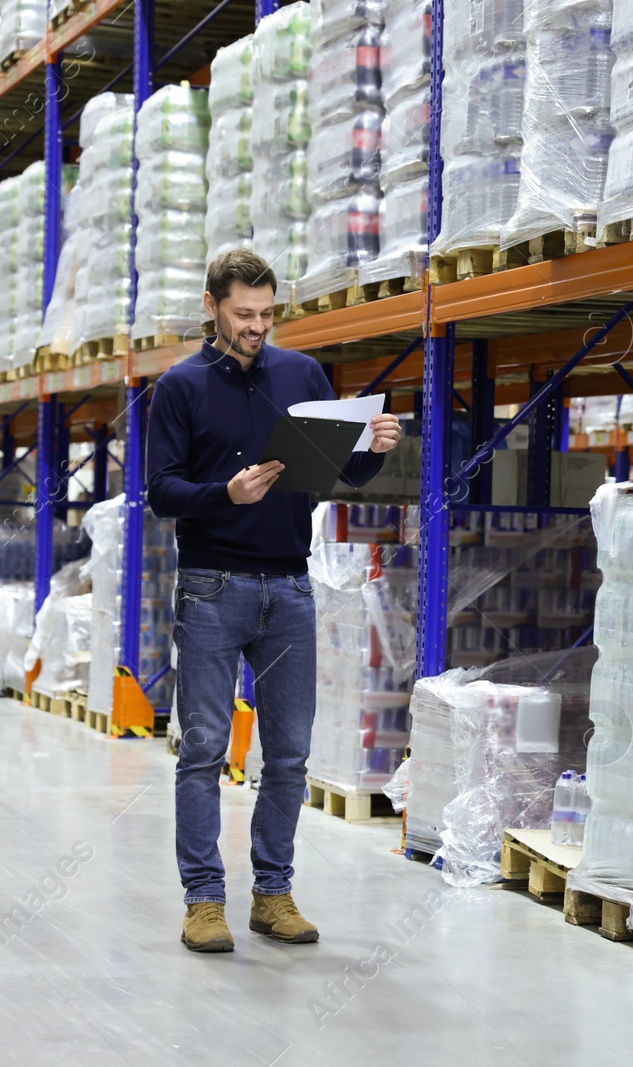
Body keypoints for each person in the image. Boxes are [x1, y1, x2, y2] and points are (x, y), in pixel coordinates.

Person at [147, 249, 402, 953]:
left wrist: (374, 446)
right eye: (243, 315)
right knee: (203, 749)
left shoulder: (302, 374)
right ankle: (204, 901)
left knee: (288, 754)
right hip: (212, 585)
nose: (257, 327)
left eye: (266, 314)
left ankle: (273, 894)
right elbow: (160, 489)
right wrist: (222, 494)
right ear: (212, 306)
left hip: (290, 584)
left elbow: (341, 467)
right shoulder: (180, 387)